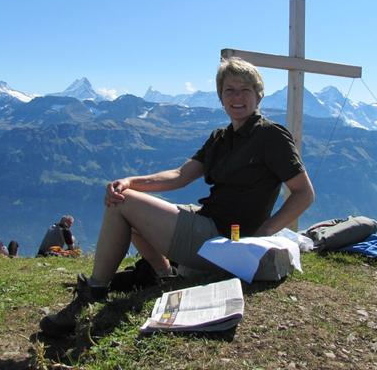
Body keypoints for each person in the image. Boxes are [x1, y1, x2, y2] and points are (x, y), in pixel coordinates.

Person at [39, 57, 315, 336]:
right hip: (207, 221)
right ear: (221, 97)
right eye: (229, 90)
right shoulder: (221, 137)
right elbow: (180, 176)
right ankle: (164, 276)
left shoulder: (271, 136)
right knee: (127, 199)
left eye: (245, 89)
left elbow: (304, 193)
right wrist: (130, 181)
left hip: (225, 237)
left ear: (259, 95)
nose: (237, 97)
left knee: (121, 205)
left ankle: (93, 294)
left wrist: (264, 232)